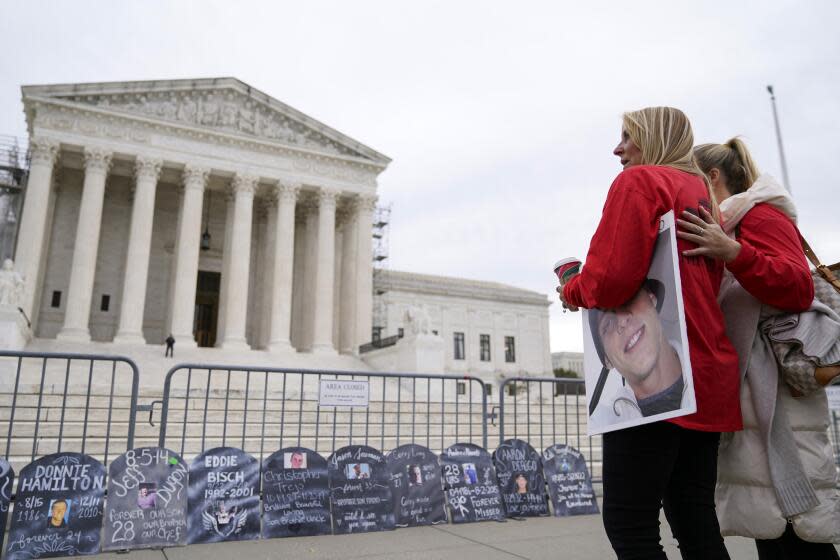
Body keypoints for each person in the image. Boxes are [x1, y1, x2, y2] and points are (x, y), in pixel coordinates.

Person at [559, 107, 740, 559]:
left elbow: (613, 280)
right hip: (706, 369)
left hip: (658, 383)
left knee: (629, 523)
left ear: (655, 139)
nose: (618, 149)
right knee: (695, 517)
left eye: (628, 137)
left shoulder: (639, 182)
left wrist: (573, 287)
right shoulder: (700, 193)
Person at [677, 138, 840, 558]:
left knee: (799, 526)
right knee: (772, 523)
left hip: (779, 387)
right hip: (755, 384)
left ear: (712, 177)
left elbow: (797, 286)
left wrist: (733, 252)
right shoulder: (728, 223)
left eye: (689, 178)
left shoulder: (760, 215)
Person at [589, 279, 687, 422]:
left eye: (629, 298)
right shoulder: (601, 424)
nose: (622, 320)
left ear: (652, 298)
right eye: (608, 323)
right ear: (607, 361)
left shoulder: (711, 366)